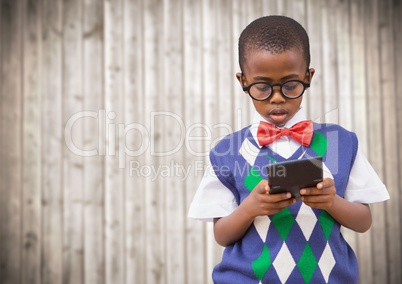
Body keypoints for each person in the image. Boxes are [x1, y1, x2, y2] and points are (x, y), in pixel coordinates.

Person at [188, 15, 389, 284]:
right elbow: (222, 235)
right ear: (243, 81)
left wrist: (332, 202)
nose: (277, 97)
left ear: (308, 76)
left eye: (290, 84)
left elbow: (363, 222)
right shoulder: (227, 152)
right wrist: (250, 208)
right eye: (262, 87)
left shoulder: (341, 142)